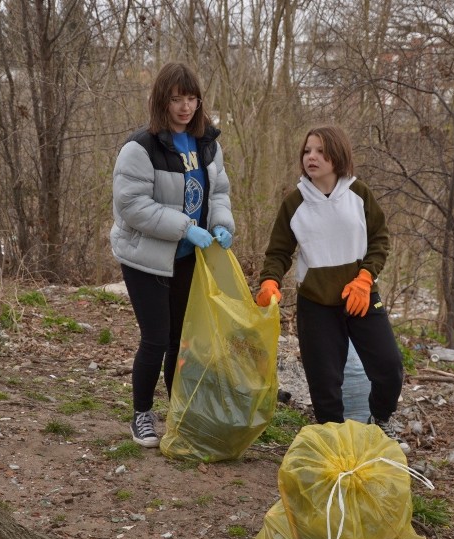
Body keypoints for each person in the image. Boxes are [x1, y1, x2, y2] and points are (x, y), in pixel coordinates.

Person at [255, 125, 409, 452]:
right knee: (325, 384)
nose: (311, 157)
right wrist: (270, 279)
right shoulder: (294, 202)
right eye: (307, 151)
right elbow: (279, 252)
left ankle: (380, 421)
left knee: (389, 368)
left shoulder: (359, 194)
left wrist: (365, 278)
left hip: (361, 297)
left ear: (337, 157)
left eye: (320, 152)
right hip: (316, 304)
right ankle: (334, 447)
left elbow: (380, 240)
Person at [110, 62, 235, 448]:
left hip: (187, 258)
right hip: (145, 258)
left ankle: (179, 412)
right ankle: (142, 415)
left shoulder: (208, 144)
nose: (184, 107)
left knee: (180, 340)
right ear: (161, 101)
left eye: (191, 98)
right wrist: (185, 227)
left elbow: (218, 194)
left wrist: (221, 224)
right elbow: (132, 206)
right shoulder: (140, 148)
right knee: (156, 338)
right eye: (176, 99)